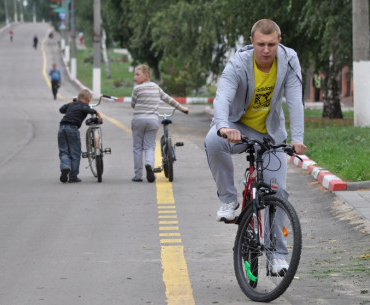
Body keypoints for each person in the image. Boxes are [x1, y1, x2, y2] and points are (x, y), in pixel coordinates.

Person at [204, 19, 307, 274]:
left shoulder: (289, 60)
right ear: (252, 42)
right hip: (238, 128)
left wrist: (298, 138)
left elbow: (295, 100)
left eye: (271, 44)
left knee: (278, 192)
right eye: (261, 44)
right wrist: (223, 127)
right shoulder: (239, 63)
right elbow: (223, 96)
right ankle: (228, 201)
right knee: (213, 141)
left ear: (278, 42)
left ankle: (277, 257)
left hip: (271, 134)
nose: (266, 49)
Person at [131, 64, 189, 183]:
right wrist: (182, 108)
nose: (135, 77)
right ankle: (149, 165)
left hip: (138, 120)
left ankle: (137, 176)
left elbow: (133, 104)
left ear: (146, 76)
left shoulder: (137, 89)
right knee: (150, 146)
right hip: (152, 120)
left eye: (137, 74)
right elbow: (169, 100)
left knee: (137, 147)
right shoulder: (156, 88)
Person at [57, 89, 103, 183]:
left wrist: (70, 103)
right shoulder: (84, 105)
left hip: (62, 128)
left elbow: (61, 110)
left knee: (64, 151)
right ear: (89, 99)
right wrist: (96, 112)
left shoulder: (71, 104)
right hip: (72, 129)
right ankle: (73, 177)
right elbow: (87, 109)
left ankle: (65, 167)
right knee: (75, 153)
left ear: (78, 98)